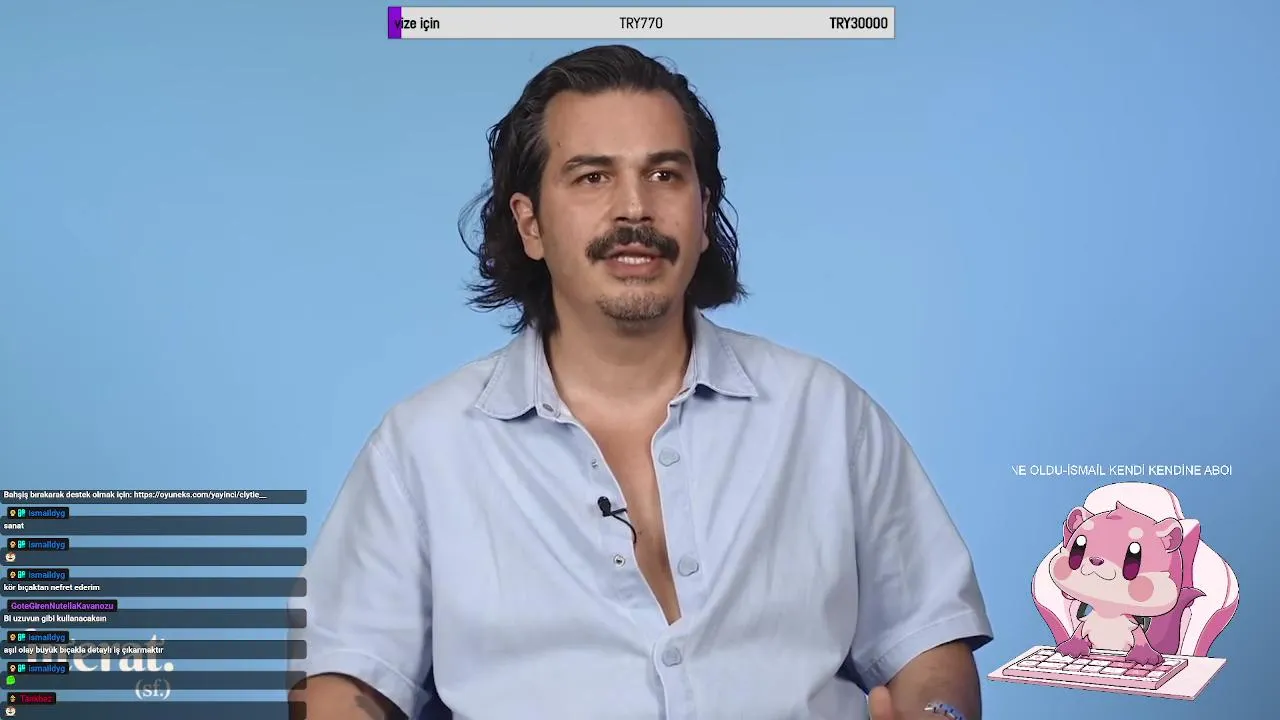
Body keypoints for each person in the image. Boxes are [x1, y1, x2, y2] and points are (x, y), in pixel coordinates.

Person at [288, 44, 993, 720]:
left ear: (704, 211)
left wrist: (940, 713)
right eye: (592, 177)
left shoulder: (826, 415)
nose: (634, 209)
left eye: (664, 175)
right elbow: (344, 679)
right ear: (530, 224)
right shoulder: (424, 447)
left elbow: (930, 642)